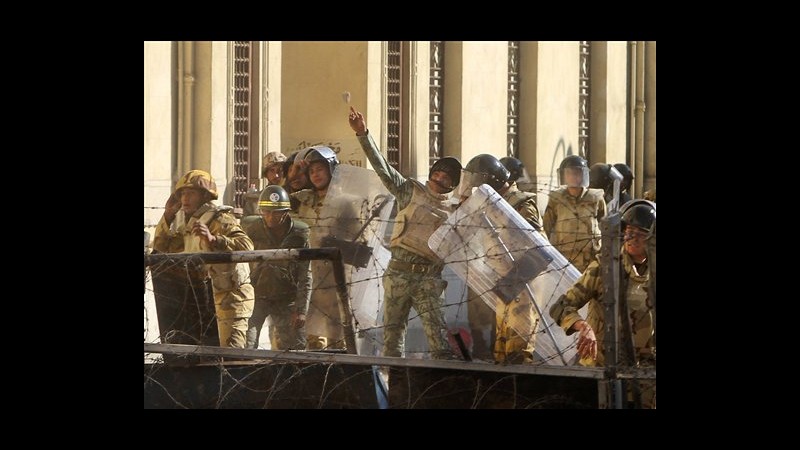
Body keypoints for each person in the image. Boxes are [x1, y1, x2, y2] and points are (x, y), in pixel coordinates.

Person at [349, 106, 461, 360]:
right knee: (392, 338)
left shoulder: (456, 211)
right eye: (437, 172)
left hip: (429, 278)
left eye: (446, 177)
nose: (439, 178)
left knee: (438, 340)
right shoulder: (411, 192)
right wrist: (363, 134)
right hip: (399, 272)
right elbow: (384, 170)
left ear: (452, 185)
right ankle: (393, 384)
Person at [549, 199, 656, 408]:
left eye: (641, 233)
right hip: (604, 367)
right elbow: (561, 306)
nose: (632, 238)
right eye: (629, 231)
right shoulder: (605, 266)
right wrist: (582, 326)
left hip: (646, 371)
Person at [153, 169, 255, 348]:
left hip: (229, 299)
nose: (185, 198)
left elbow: (246, 245)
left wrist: (214, 239)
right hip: (202, 301)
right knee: (206, 357)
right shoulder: (190, 224)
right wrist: (168, 216)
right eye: (182, 194)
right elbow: (162, 248)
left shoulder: (220, 218)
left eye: (191, 193)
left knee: (231, 356)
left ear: (204, 196)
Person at [460, 154, 539, 364]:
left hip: (520, 287)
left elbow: (536, 247)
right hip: (501, 285)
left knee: (517, 353)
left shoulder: (522, 203)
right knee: (501, 353)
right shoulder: (492, 203)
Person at [291, 146, 361, 351]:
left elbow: (361, 246)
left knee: (338, 341)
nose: (316, 175)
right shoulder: (304, 200)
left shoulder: (346, 202)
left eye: (320, 169)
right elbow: (281, 192)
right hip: (312, 281)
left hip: (337, 280)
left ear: (331, 169)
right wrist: (297, 167)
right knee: (313, 343)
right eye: (311, 171)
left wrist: (334, 245)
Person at [242, 185, 311, 350]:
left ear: (286, 212)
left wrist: (301, 309)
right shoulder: (252, 229)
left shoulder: (299, 235)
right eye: (266, 212)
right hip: (256, 295)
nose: (271, 217)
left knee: (295, 349)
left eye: (276, 212)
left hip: (286, 297)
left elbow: (305, 274)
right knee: (245, 345)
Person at [543, 155, 606, 272]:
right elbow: (546, 226)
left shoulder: (595, 197)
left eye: (576, 173)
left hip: (591, 258)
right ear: (564, 176)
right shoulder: (556, 199)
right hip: (565, 258)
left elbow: (604, 223)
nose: (573, 177)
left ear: (583, 175)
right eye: (569, 174)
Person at [243, 151, 288, 217]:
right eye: (272, 170)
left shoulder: (291, 197)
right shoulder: (254, 201)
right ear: (266, 173)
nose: (276, 175)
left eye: (280, 171)